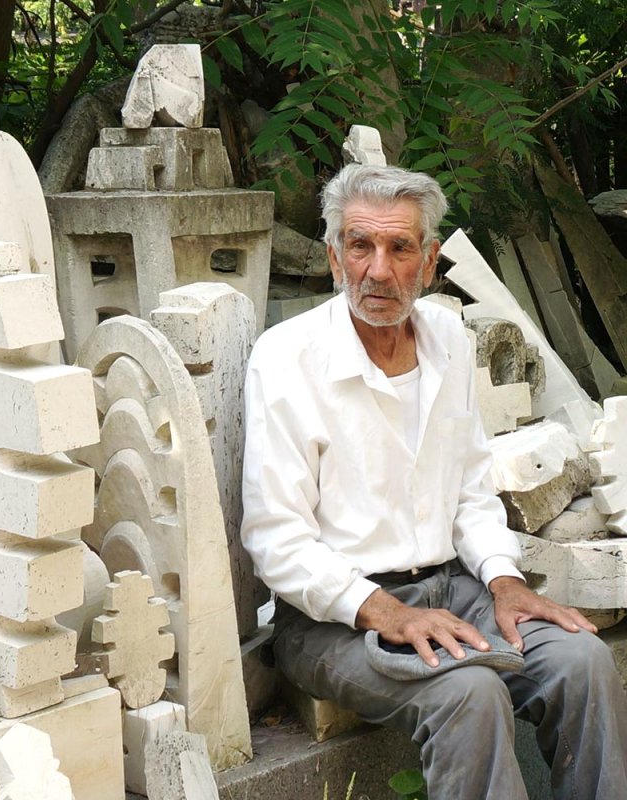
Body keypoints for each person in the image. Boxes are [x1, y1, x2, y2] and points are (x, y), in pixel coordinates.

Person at [241, 163, 627, 799]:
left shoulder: (447, 338)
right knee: (469, 693)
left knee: (582, 662)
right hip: (332, 619)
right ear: (335, 257)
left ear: (428, 261)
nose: (378, 270)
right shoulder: (287, 357)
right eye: (360, 246)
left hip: (453, 588)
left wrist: (504, 581)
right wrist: (386, 611)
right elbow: (276, 539)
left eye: (400, 248)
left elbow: (472, 490)